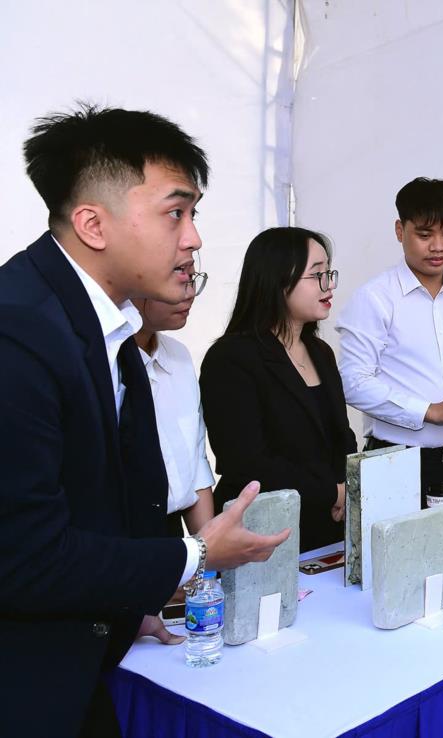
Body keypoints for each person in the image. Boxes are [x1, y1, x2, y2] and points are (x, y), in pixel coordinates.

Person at [0, 105, 289, 737]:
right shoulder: (17, 332)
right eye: (175, 213)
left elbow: (107, 501)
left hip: (81, 662)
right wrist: (196, 554)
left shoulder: (112, 330)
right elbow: (25, 558)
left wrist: (127, 609)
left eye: (194, 214)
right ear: (93, 224)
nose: (194, 238)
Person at [338, 177, 443, 509]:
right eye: (424, 235)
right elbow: (353, 383)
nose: (438, 247)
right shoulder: (374, 298)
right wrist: (430, 411)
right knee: (394, 543)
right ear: (400, 231)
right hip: (395, 460)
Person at [200, 227, 357, 553]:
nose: (328, 285)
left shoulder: (320, 352)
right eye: (316, 275)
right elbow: (247, 462)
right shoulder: (231, 358)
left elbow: (343, 438)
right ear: (277, 280)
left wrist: (347, 492)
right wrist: (332, 493)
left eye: (329, 273)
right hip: (261, 535)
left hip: (327, 528)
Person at [135, 279, 216, 537]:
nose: (189, 293)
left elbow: (195, 462)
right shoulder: (103, 360)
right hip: (125, 537)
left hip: (173, 533)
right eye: (178, 275)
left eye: (192, 279)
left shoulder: (178, 354)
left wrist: (208, 549)